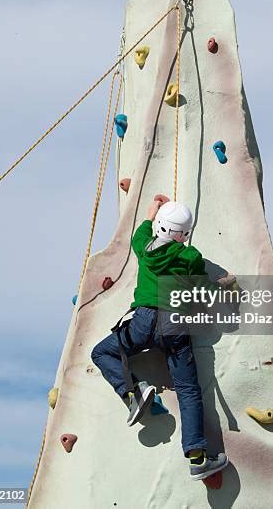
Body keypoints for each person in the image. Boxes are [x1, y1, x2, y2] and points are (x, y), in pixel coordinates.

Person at [91, 197, 231, 480]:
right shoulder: (190, 257)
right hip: (175, 324)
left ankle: (132, 391)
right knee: (188, 389)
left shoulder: (144, 248)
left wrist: (151, 212)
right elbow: (203, 289)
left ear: (159, 226)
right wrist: (227, 287)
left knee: (101, 353)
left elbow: (140, 233)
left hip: (142, 321)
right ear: (184, 234)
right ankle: (197, 457)